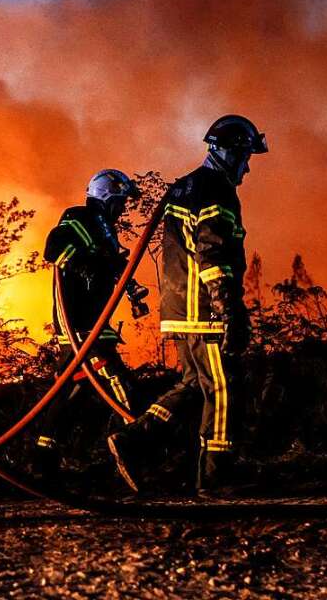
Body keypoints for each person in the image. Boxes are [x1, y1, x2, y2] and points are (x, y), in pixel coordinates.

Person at [107, 115, 267, 496]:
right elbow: (212, 254)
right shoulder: (216, 190)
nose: (246, 166)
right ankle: (215, 476)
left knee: (195, 383)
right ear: (229, 152)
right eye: (245, 156)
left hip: (180, 309)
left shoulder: (187, 187)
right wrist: (229, 309)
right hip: (203, 312)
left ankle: (133, 440)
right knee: (222, 388)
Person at [33, 169, 148, 483]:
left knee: (74, 392)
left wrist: (132, 289)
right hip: (80, 325)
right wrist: (80, 265)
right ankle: (138, 452)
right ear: (106, 196)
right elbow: (53, 245)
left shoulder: (104, 230)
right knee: (120, 386)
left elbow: (113, 264)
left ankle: (44, 462)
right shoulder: (78, 217)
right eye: (121, 200)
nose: (124, 207)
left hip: (96, 323)